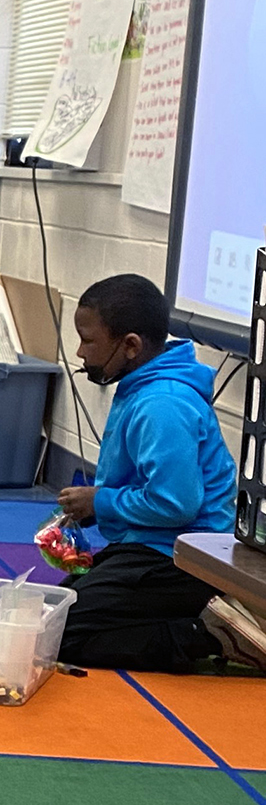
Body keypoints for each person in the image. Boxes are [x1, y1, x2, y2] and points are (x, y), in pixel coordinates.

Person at [55, 274, 265, 672]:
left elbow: (176, 505)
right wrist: (100, 507)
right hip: (151, 545)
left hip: (184, 559)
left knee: (58, 634)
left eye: (89, 341)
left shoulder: (161, 403)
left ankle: (209, 636)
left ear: (130, 346)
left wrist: (100, 500)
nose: (80, 352)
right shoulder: (142, 386)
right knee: (49, 614)